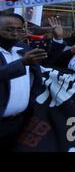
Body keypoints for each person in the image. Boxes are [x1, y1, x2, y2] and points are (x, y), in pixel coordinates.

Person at [0, 13, 47, 150]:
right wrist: (22, 63)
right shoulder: (24, 57)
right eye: (9, 29)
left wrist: (57, 39)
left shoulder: (23, 49)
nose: (15, 33)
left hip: (19, 122)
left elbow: (47, 64)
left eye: (19, 29)